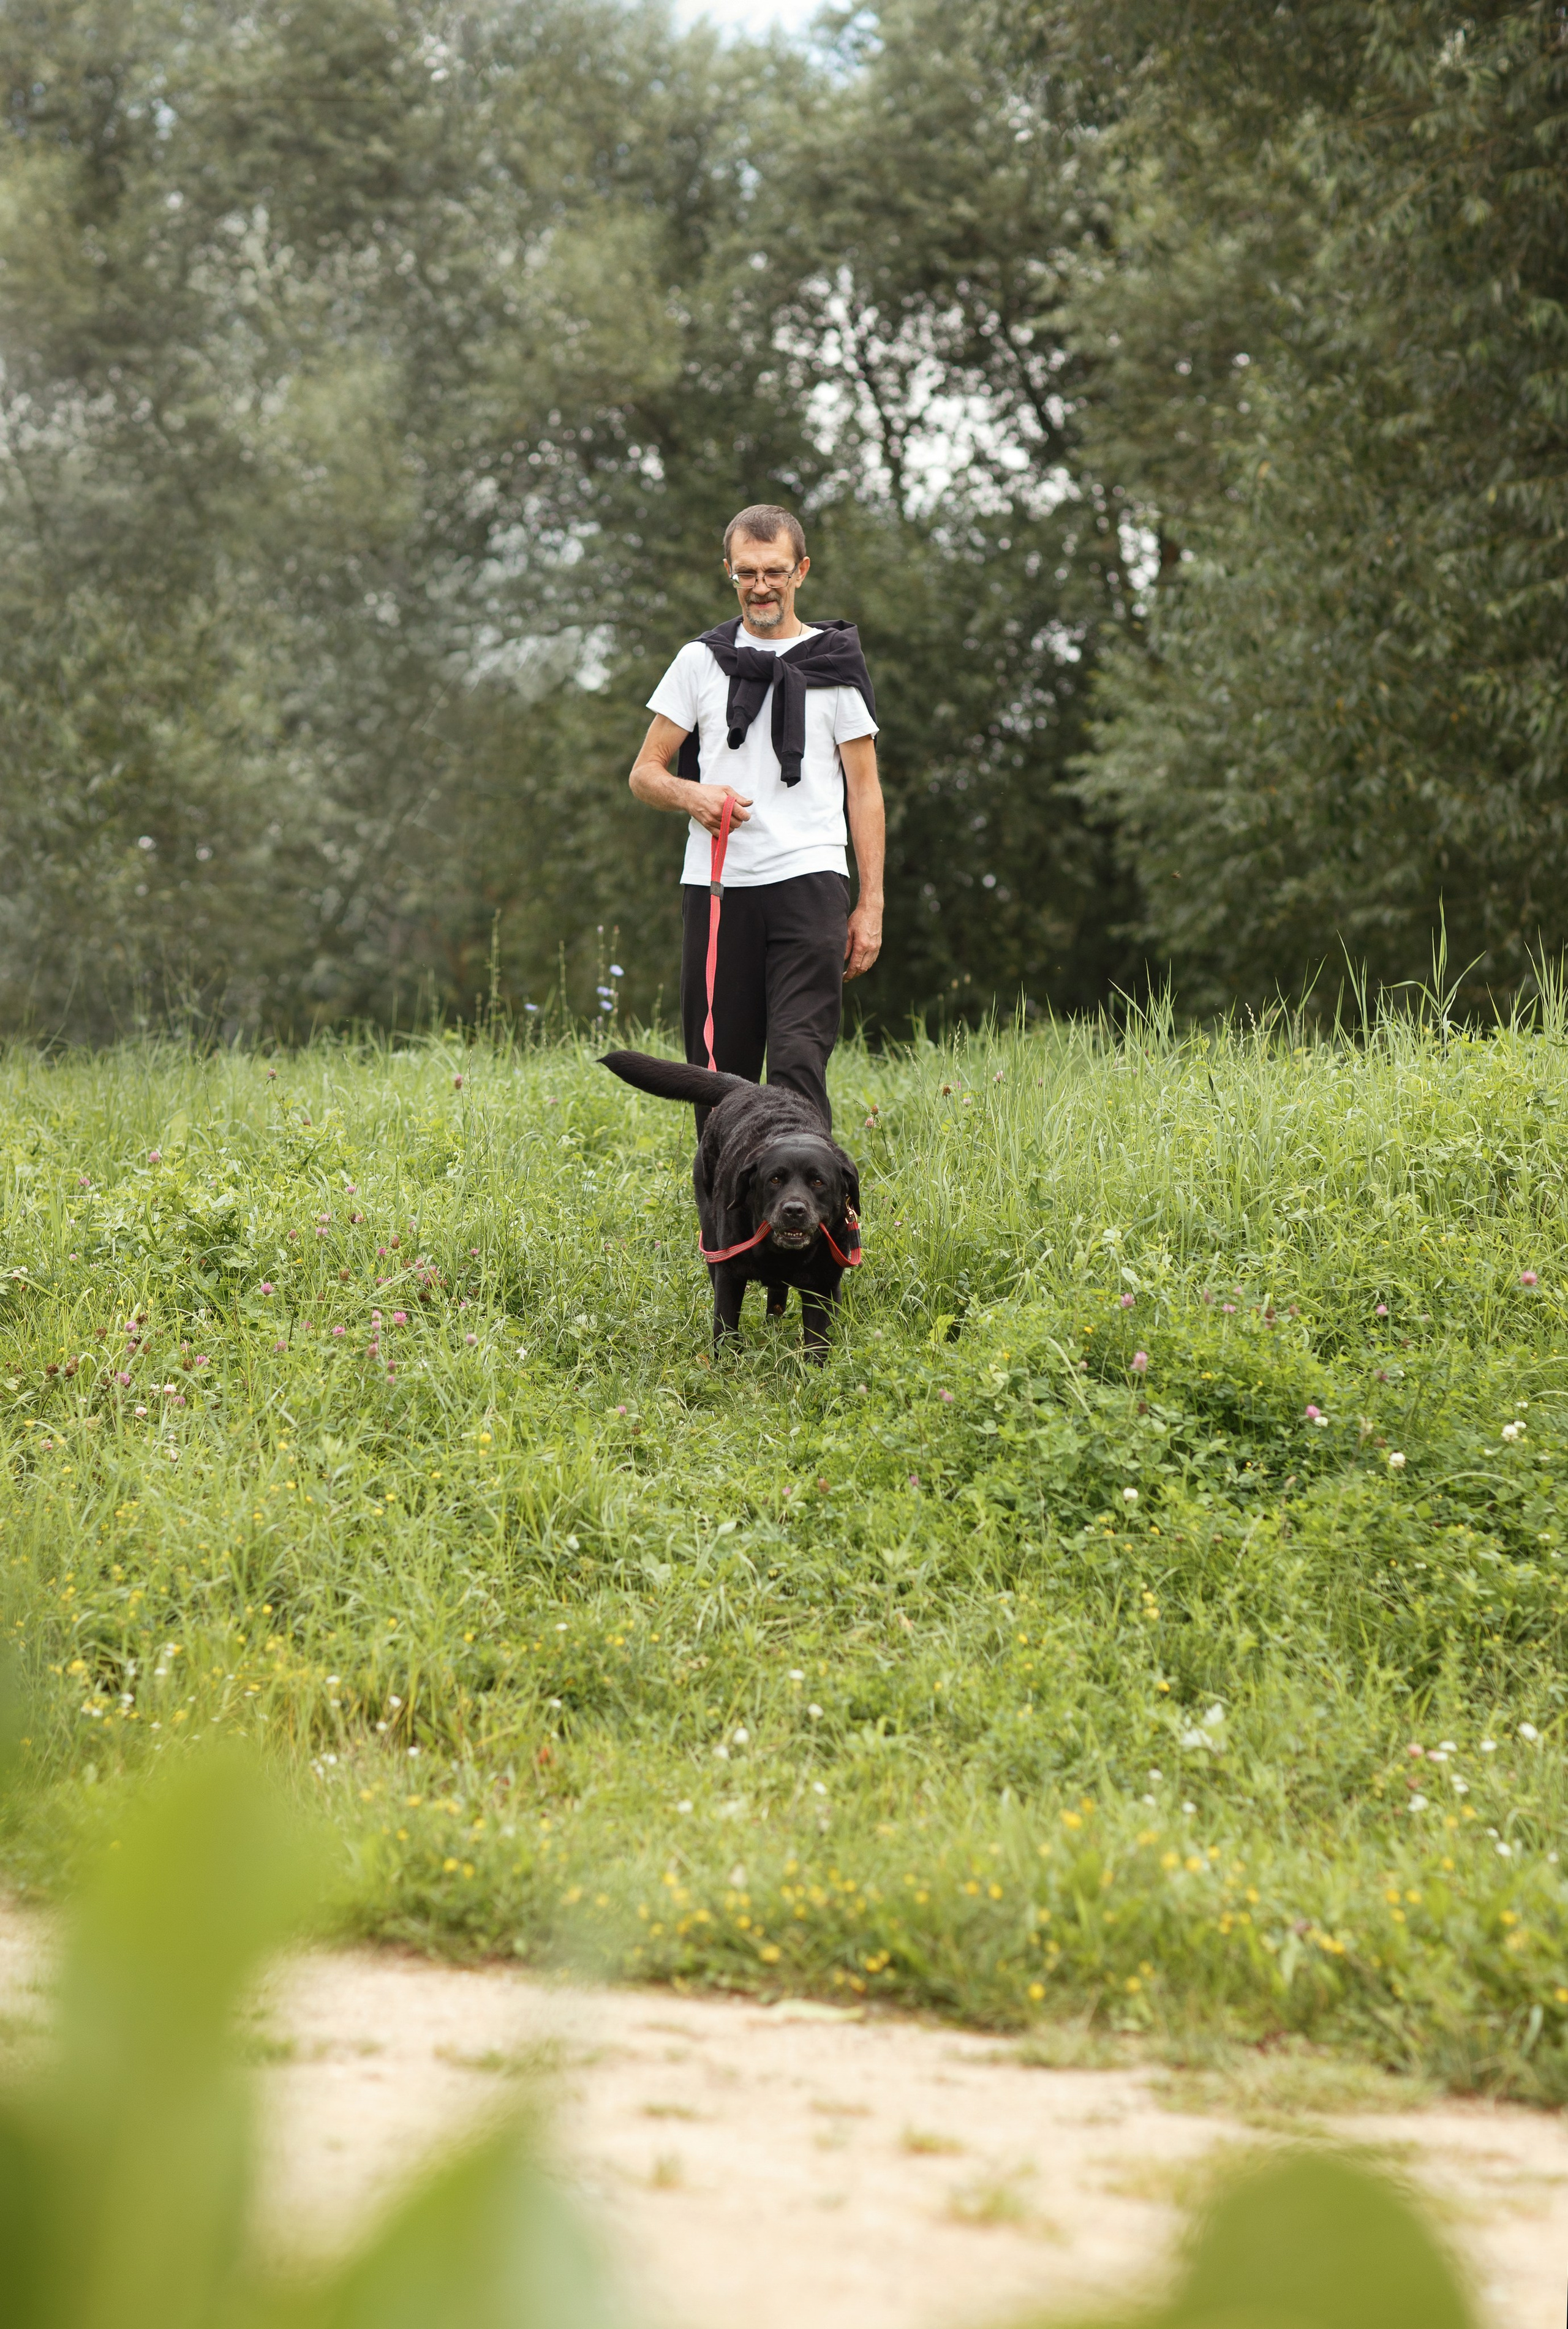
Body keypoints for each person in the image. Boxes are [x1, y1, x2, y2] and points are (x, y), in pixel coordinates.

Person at [628, 503, 884, 1133]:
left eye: (774, 571)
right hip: (719, 889)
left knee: (799, 1060)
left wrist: (870, 904)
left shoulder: (837, 665)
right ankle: (728, 1229)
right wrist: (694, 797)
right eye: (747, 572)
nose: (761, 586)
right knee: (720, 1072)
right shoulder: (699, 661)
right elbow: (645, 773)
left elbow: (865, 792)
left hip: (811, 883)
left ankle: (812, 1225)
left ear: (801, 571)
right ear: (728, 572)